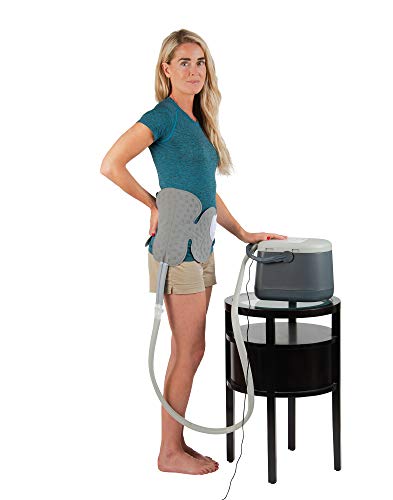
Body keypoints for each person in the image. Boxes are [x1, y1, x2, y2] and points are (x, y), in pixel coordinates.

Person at [100, 29, 287, 476]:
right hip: (176, 248)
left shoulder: (198, 122)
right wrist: (153, 204)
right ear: (166, 69)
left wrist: (243, 232)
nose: (194, 70)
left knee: (192, 349)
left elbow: (207, 191)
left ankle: (176, 444)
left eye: (200, 62)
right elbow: (110, 164)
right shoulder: (162, 117)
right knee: (188, 349)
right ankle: (169, 453)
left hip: (202, 245)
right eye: (184, 62)